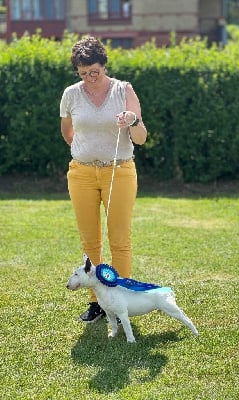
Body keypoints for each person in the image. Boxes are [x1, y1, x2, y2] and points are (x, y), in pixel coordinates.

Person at [60, 36, 147, 322]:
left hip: (119, 171)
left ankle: (121, 299)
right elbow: (68, 132)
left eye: (94, 71)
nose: (89, 78)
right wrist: (83, 152)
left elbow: (141, 138)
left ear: (104, 64)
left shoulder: (124, 90)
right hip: (81, 173)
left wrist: (132, 120)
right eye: (83, 73)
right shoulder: (71, 94)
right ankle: (97, 302)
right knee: (90, 242)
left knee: (119, 240)